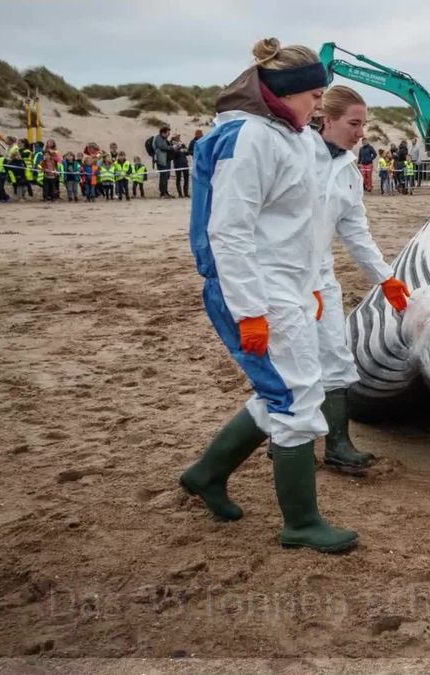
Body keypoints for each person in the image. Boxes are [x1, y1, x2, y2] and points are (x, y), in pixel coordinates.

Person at [179, 37, 356, 554]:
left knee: (283, 391)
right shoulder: (248, 138)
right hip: (255, 290)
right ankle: (300, 522)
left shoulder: (293, 137)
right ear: (284, 92)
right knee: (297, 397)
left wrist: (308, 291)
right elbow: (229, 233)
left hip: (286, 288)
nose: (318, 105)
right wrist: (251, 312)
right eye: (313, 95)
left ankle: (207, 474)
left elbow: (296, 225)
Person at [309, 85, 410, 472]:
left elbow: (355, 233)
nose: (361, 133)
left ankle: (337, 443)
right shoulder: (299, 158)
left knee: (335, 357)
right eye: (354, 123)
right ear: (327, 120)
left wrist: (386, 279)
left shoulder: (349, 171)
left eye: (364, 124)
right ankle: (286, 440)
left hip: (321, 279)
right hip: (286, 279)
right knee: (291, 365)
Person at [153, 126, 175, 198]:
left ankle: (165, 192)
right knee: (163, 176)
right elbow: (162, 147)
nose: (169, 134)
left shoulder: (165, 139)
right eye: (168, 133)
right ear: (163, 133)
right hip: (161, 160)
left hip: (166, 160)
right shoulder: (158, 138)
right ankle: (162, 193)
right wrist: (172, 147)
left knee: (166, 176)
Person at [170, 133, 190, 197]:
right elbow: (172, 154)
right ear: (174, 138)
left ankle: (186, 193)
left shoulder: (182, 143)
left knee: (186, 178)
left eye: (179, 137)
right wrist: (178, 150)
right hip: (177, 163)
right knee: (178, 178)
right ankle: (180, 194)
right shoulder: (171, 144)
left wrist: (185, 150)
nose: (178, 138)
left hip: (184, 163)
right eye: (177, 137)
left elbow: (188, 152)